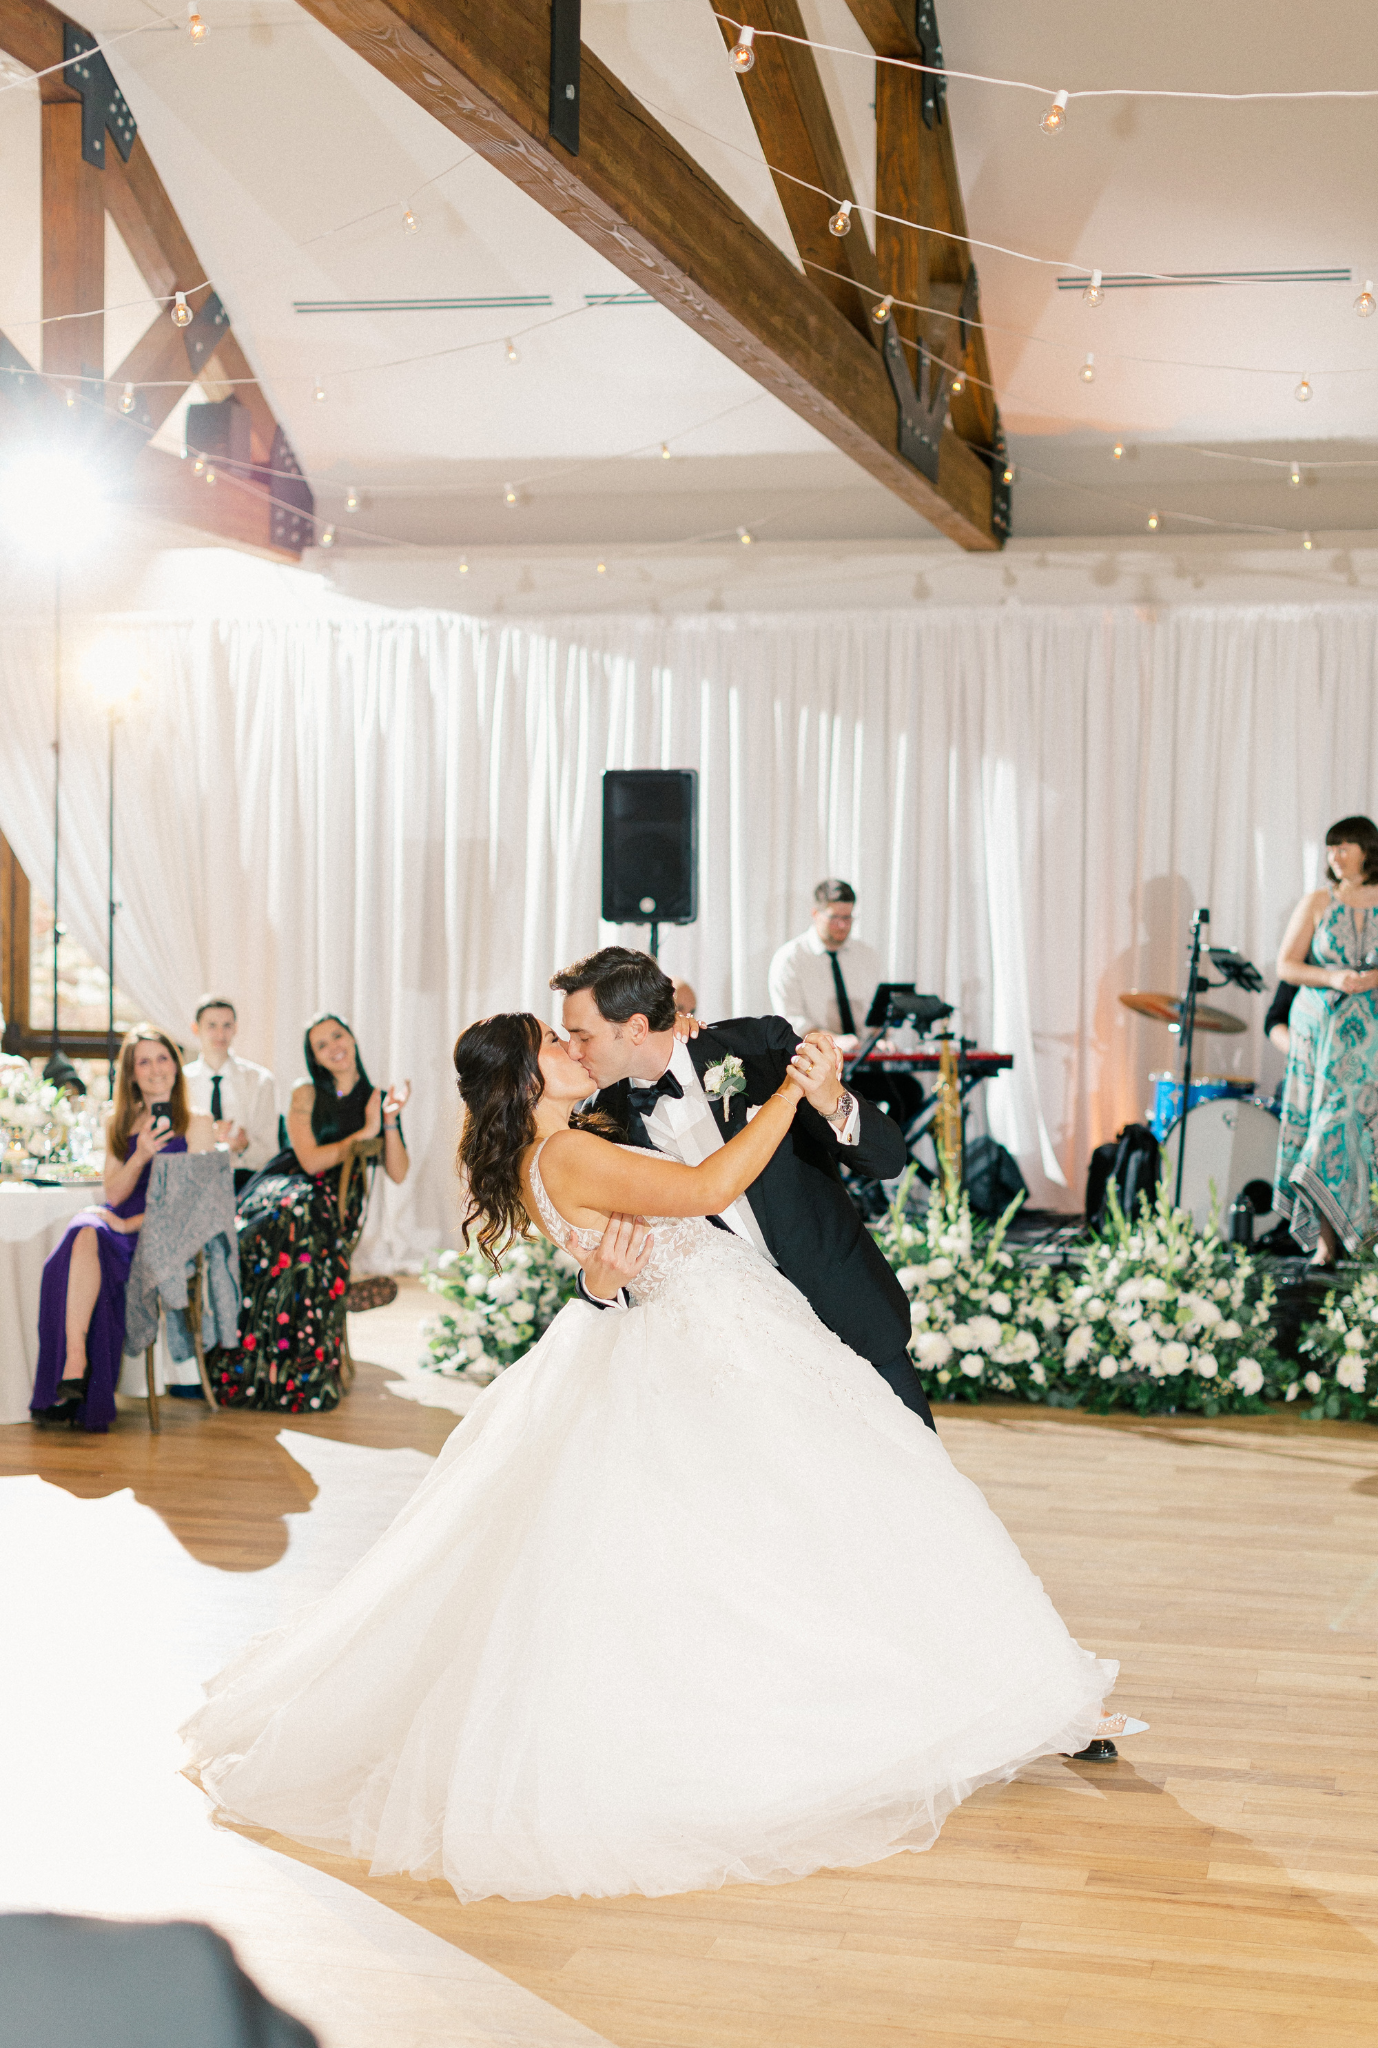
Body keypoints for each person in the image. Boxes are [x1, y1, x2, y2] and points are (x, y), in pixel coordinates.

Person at [181, 1007, 1141, 1905]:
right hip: (717, 1347)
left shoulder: (560, 1146)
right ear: (527, 1078)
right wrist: (785, 1098)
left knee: (834, 1513)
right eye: (554, 1040)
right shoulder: (566, 1153)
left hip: (718, 1332)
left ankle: (983, 1684)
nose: (572, 1045)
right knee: (839, 1511)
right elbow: (709, 1189)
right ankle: (943, 1698)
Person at [555, 945, 934, 1426]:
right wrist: (598, 1285)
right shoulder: (601, 1126)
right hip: (739, 1359)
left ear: (634, 1028)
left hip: (848, 1315)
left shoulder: (758, 1047)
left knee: (921, 1484)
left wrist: (832, 1100)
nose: (573, 1050)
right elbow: (616, 1257)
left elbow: (887, 1160)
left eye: (580, 1034)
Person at [211, 1014, 410, 1412]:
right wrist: (363, 1131)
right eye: (321, 1044)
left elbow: (399, 1171)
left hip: (340, 1202)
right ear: (315, 1058)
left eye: (338, 1035)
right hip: (291, 1186)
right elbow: (311, 1161)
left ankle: (299, 1372)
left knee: (301, 1230)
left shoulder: (377, 1098)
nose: (333, 1046)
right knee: (278, 1225)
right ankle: (260, 1368)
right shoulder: (305, 1093)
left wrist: (386, 1121)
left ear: (352, 1038)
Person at [30, 1025, 215, 1432]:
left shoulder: (199, 1123)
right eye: (143, 1062)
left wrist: (129, 1222)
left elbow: (191, 1207)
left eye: (162, 1058)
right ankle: (76, 1360)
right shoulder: (119, 1121)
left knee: (85, 1231)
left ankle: (72, 1374)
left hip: (164, 1235)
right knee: (83, 1230)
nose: (155, 1069)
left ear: (176, 1065)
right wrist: (141, 1154)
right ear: (131, 1074)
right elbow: (113, 1194)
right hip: (118, 1226)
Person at [1275, 815, 1378, 1266]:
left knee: (1360, 1130)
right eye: (1330, 848)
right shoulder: (1318, 900)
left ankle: (1362, 1236)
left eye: (1343, 846)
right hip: (1321, 1038)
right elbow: (1286, 966)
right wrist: (1333, 977)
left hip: (1370, 1042)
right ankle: (1325, 1242)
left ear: (1367, 849)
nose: (1334, 856)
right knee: (1324, 1128)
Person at [768, 878, 882, 1052]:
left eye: (847, 918)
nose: (842, 925)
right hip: (814, 1059)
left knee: (908, 1081)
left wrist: (879, 1039)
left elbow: (877, 1012)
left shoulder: (867, 955)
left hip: (865, 1059)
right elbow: (792, 1021)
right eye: (834, 918)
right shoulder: (790, 959)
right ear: (815, 914)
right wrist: (834, 1041)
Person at [183, 996, 279, 1188]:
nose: (220, 1034)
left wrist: (245, 1146)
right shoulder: (181, 1082)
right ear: (196, 1029)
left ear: (235, 1028)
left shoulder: (260, 1081)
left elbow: (271, 1154)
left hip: (244, 1181)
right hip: (192, 1180)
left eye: (227, 1025)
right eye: (211, 1025)